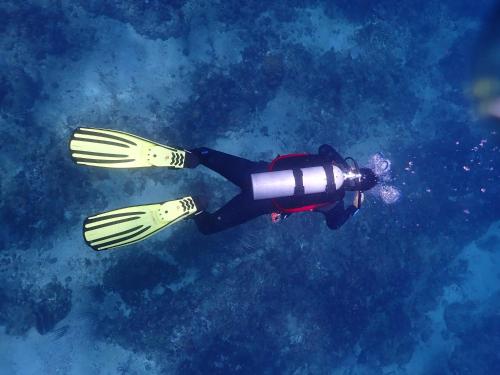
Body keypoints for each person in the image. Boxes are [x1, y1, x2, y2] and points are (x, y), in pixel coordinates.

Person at [70, 127, 378, 251]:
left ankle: (187, 158)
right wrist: (354, 207)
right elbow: (335, 225)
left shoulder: (329, 160)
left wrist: (341, 160)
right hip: (261, 204)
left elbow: (324, 145)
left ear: (354, 168)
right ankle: (193, 208)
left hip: (255, 173)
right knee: (210, 227)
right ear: (355, 189)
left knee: (204, 154)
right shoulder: (335, 202)